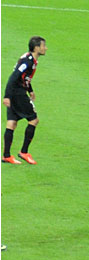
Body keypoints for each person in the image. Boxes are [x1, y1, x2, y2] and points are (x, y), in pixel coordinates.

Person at [2, 36, 46, 165]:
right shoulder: (28, 61)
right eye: (43, 46)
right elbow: (14, 77)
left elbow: (24, 77)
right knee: (33, 120)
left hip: (16, 92)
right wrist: (7, 96)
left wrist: (30, 89)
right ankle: (24, 152)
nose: (45, 48)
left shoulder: (29, 58)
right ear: (37, 48)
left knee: (12, 122)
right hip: (17, 94)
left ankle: (6, 156)